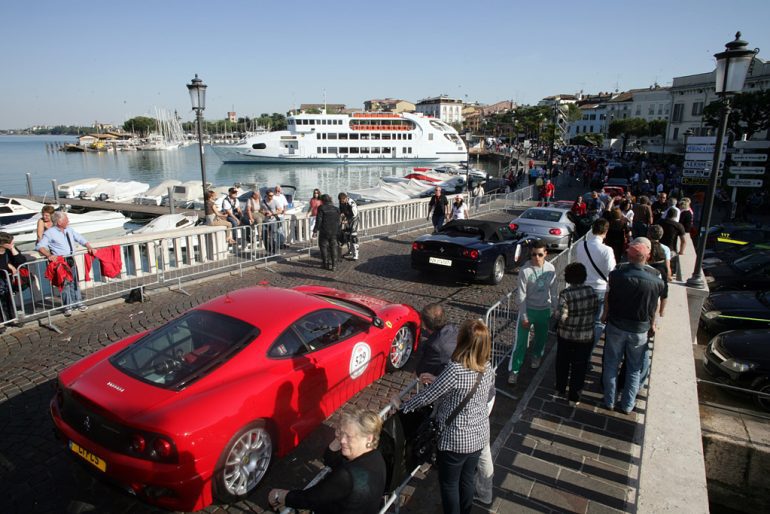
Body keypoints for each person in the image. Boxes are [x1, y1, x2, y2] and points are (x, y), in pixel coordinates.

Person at [394, 319, 495, 514]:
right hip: (479, 434)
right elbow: (463, 391)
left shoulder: (455, 369)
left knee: (449, 484)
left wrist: (403, 406)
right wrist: (438, 380)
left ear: (463, 341)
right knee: (466, 480)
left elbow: (427, 397)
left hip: (456, 439)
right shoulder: (487, 366)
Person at [269, 407, 386, 514]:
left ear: (368, 438)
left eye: (349, 436)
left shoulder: (346, 475)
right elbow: (331, 461)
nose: (343, 440)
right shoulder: (376, 457)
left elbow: (310, 499)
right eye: (342, 434)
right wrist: (338, 437)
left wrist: (280, 495)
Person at [602, 237, 664, 414]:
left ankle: (609, 401)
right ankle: (628, 404)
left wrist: (605, 314)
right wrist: (653, 324)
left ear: (629, 256)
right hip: (639, 329)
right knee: (634, 368)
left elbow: (608, 297)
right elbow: (654, 306)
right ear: (647, 257)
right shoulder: (657, 281)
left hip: (616, 325)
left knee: (611, 363)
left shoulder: (616, 275)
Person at [507, 240, 558, 385]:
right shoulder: (525, 270)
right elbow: (521, 297)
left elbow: (553, 292)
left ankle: (537, 356)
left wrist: (556, 308)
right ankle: (514, 371)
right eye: (534, 254)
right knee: (520, 344)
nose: (536, 257)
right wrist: (523, 316)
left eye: (540, 254)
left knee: (541, 339)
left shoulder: (551, 269)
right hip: (528, 311)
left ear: (545, 254)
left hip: (544, 311)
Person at [554, 263, 600, 405]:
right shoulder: (592, 292)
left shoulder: (566, 294)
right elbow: (595, 310)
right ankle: (574, 396)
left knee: (563, 364)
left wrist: (556, 316)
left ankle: (560, 388)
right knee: (579, 366)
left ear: (568, 278)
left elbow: (562, 316)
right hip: (586, 336)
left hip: (567, 336)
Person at [35, 211, 95, 316]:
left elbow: (80, 238)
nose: (68, 221)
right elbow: (39, 246)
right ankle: (67, 306)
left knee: (75, 282)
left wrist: (89, 246)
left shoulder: (69, 230)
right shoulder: (50, 232)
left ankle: (78, 302)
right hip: (61, 262)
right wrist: (49, 255)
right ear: (59, 221)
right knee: (65, 284)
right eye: (66, 219)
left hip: (71, 259)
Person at [574, 218, 617, 354]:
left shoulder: (581, 245)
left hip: (582, 287)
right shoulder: (607, 250)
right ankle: (587, 351)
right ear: (605, 232)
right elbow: (612, 271)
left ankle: (578, 348)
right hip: (599, 288)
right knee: (597, 323)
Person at [416, 303, 459, 383]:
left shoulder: (433, 346)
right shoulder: (453, 328)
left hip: (446, 382)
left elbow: (421, 371)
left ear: (425, 325)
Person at [0, 232, 25, 322]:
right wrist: (9, 266)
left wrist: (13, 249)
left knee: (9, 300)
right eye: (10, 243)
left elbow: (21, 261)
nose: (12, 244)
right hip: (1, 279)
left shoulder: (9, 250)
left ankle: (12, 319)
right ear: (3, 244)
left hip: (7, 280)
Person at [647, 225, 671, 317]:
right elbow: (667, 265)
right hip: (661, 270)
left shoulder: (646, 245)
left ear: (649, 234)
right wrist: (668, 275)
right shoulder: (665, 248)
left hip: (648, 268)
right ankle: (661, 311)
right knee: (664, 292)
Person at [313, 194, 341, 270]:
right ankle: (334, 265)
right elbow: (338, 221)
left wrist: (315, 230)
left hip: (324, 230)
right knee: (334, 247)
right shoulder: (336, 209)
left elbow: (319, 220)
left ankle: (325, 263)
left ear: (322, 201)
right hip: (334, 231)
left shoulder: (321, 208)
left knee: (323, 246)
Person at [659, 209, 687, 278]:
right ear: (676, 215)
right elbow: (683, 241)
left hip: (658, 248)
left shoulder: (659, 222)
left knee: (658, 268)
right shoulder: (678, 226)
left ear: (667, 214)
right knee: (669, 268)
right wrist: (681, 252)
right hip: (671, 250)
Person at [338, 192, 360, 260]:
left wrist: (347, 220)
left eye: (343, 201)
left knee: (353, 236)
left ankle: (356, 254)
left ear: (345, 198)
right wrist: (342, 215)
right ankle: (350, 251)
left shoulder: (351, 203)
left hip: (354, 220)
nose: (342, 202)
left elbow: (353, 214)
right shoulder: (341, 202)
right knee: (347, 236)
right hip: (347, 219)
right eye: (341, 201)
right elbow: (342, 210)